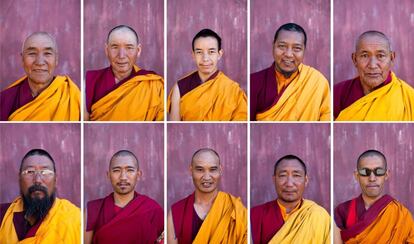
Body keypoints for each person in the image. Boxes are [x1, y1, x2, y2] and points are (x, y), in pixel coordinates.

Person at [250, 23, 330, 121]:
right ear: (273, 46)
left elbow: (326, 121)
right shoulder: (254, 82)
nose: (288, 54)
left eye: (297, 48)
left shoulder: (317, 82)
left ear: (304, 50)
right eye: (282, 46)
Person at [85, 25, 164, 121]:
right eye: (115, 47)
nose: (121, 55)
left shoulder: (154, 84)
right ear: (107, 50)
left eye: (129, 47)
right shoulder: (90, 82)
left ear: (138, 51)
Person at [167, 148, 247, 243]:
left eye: (213, 170)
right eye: (200, 170)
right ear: (191, 170)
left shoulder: (236, 210)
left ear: (220, 170)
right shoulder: (177, 211)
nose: (206, 177)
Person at [0, 149, 80, 243]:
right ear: (20, 179)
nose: (37, 180)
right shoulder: (3, 215)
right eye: (30, 172)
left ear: (55, 180)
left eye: (45, 172)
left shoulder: (74, 219)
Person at [334, 150, 414, 243]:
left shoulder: (401, 214)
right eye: (365, 171)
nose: (372, 178)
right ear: (357, 175)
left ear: (386, 174)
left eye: (378, 171)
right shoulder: (343, 211)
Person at [85, 150, 164, 244]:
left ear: (138, 175)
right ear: (108, 175)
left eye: (130, 170)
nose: (123, 177)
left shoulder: (153, 210)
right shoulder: (93, 210)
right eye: (116, 171)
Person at [168, 29, 247, 121]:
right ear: (193, 55)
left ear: (219, 54)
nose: (205, 58)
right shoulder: (180, 87)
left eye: (211, 52)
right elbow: (175, 127)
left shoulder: (234, 91)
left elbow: (239, 127)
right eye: (199, 52)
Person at [334, 31, 414, 121]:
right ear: (355, 59)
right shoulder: (338, 93)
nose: (372, 65)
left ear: (392, 58)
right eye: (365, 56)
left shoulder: (409, 98)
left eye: (380, 56)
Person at [0, 32, 80, 121]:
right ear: (22, 59)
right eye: (32, 53)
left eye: (47, 53)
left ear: (56, 59)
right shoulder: (4, 100)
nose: (40, 62)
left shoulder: (72, 97)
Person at [251, 155, 330, 243]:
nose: (289, 183)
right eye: (283, 175)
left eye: (296, 175)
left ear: (306, 180)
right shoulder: (255, 215)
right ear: (274, 179)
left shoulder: (319, 215)